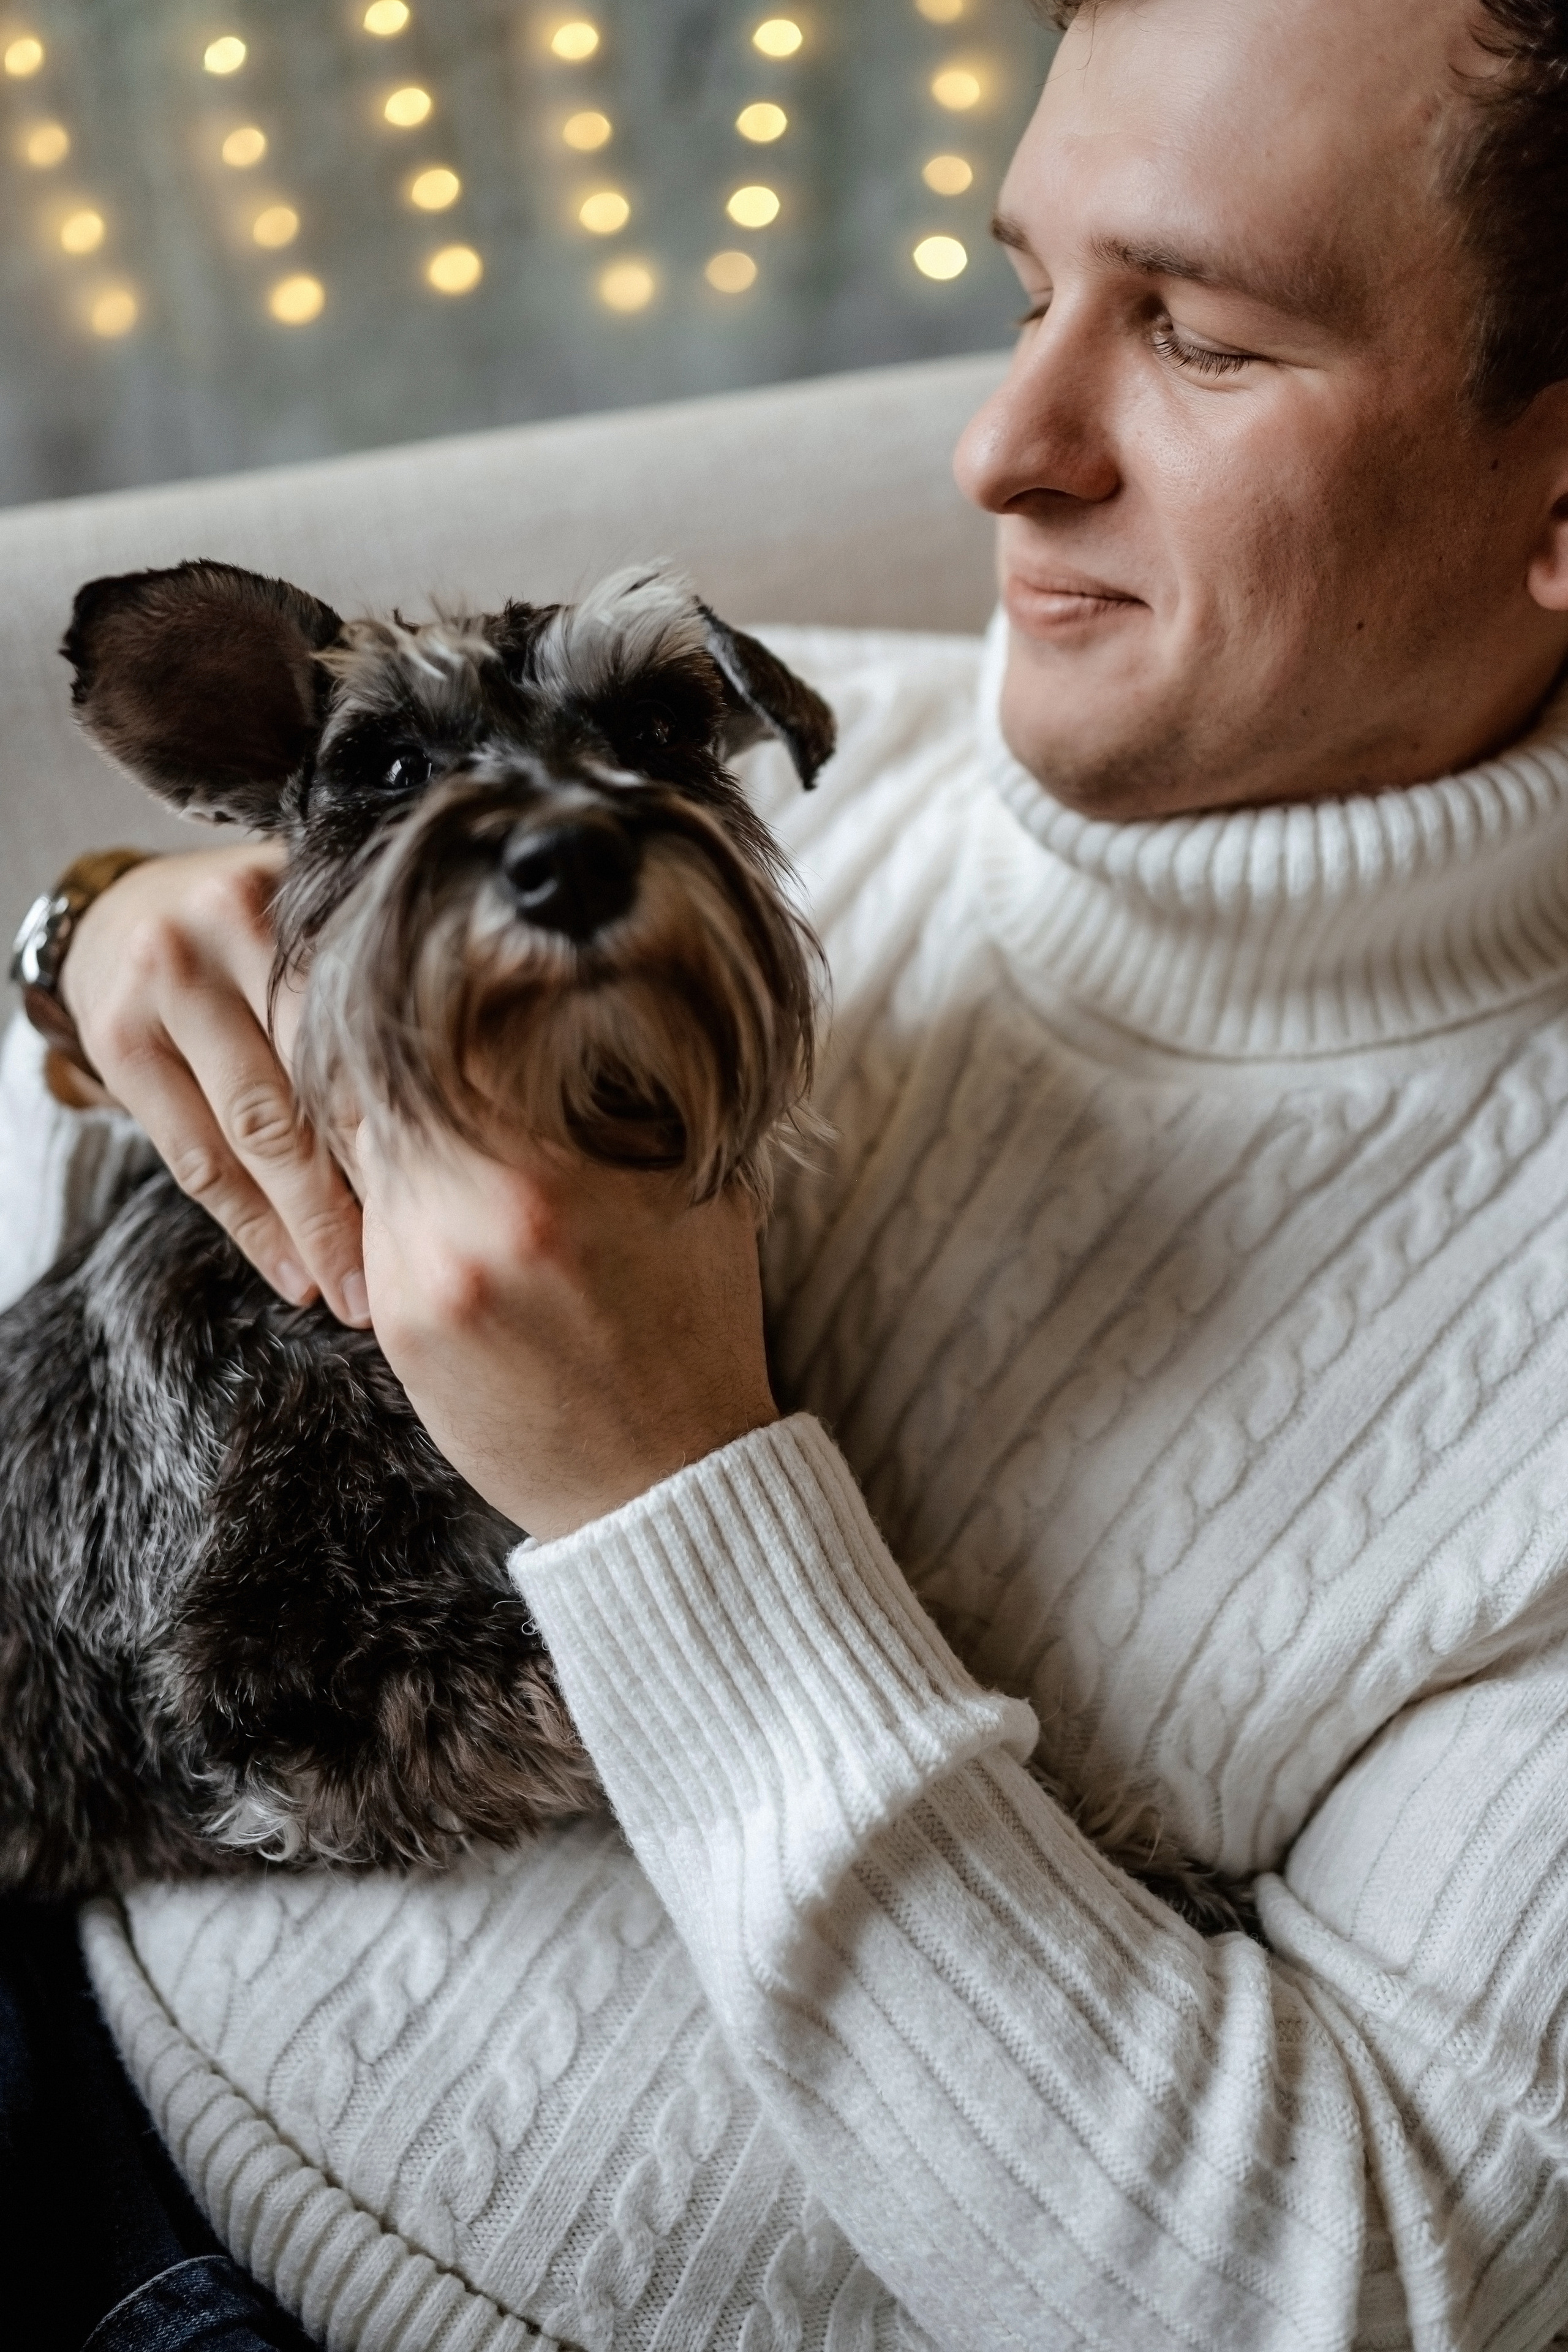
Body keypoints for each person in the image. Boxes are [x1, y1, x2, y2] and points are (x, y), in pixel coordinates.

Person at [9, 0, 1568, 2340]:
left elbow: (1355, 2293)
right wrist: (93, 948)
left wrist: (664, 1480)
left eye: (1206, 340)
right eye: (1030, 292)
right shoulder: (866, 745)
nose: (1000, 452)